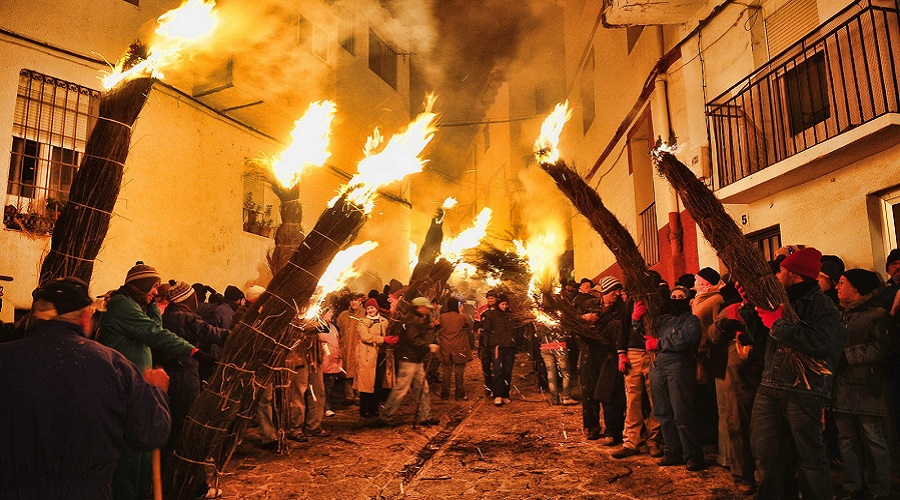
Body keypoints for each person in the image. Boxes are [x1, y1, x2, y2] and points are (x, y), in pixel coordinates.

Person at [0, 277, 171, 500]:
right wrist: (156, 393)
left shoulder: (4, 359)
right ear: (85, 317)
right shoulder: (113, 365)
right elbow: (150, 433)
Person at [98, 262, 215, 500]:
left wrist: (152, 303)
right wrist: (194, 352)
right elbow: (155, 334)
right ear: (140, 286)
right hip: (125, 388)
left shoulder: (134, 305)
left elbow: (154, 327)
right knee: (131, 454)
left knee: (143, 451)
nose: (155, 292)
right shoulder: (122, 305)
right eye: (151, 288)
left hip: (138, 386)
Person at [743, 247, 845, 499]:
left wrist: (778, 324)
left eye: (780, 270)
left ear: (793, 273)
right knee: (767, 453)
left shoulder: (823, 305)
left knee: (810, 458)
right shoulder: (781, 300)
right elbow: (762, 339)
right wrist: (751, 309)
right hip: (770, 386)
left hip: (804, 390)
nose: (777, 275)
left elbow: (823, 344)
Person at [157, 281, 227, 499]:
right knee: (188, 429)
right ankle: (195, 488)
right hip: (183, 378)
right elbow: (209, 332)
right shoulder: (184, 318)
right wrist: (240, 335)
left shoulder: (167, 316)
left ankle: (172, 484)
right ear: (188, 299)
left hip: (171, 376)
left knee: (176, 430)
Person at [833, 269, 891, 499]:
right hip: (842, 388)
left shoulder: (877, 315)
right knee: (846, 440)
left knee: (873, 438)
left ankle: (880, 489)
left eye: (842, 282)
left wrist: (846, 356)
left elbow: (881, 347)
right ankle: (852, 485)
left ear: (856, 288)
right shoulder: (839, 315)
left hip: (868, 386)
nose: (837, 287)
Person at [640, 286, 705, 471]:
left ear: (688, 299)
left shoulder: (691, 320)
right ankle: (672, 452)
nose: (676, 299)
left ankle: (693, 455)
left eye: (681, 296)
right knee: (662, 412)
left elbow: (685, 339)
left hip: (679, 368)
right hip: (658, 368)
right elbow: (645, 333)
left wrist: (659, 343)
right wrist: (637, 318)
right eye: (673, 296)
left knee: (682, 412)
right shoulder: (662, 320)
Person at [613, 273, 663, 459]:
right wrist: (622, 354)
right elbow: (623, 329)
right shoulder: (630, 303)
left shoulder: (659, 302)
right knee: (632, 399)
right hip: (634, 353)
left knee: (655, 399)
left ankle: (653, 440)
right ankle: (631, 441)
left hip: (652, 353)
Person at [378, 297, 440, 426]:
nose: (427, 311)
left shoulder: (415, 319)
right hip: (408, 359)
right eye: (426, 308)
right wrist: (428, 346)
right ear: (419, 307)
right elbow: (413, 340)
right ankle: (386, 415)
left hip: (415, 359)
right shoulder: (411, 320)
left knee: (422, 388)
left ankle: (425, 416)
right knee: (401, 389)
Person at [581, 276, 626, 446]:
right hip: (589, 351)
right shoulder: (589, 305)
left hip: (609, 353)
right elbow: (573, 324)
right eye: (614, 290)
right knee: (588, 389)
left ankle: (613, 430)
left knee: (609, 392)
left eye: (619, 290)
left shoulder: (621, 308)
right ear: (605, 291)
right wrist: (584, 319)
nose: (618, 293)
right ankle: (592, 427)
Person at [692, 267, 728, 468]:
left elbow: (716, 327)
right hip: (699, 353)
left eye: (698, 280)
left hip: (708, 354)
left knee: (712, 400)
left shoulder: (716, 300)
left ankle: (715, 441)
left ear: (706, 282)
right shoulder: (699, 299)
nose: (695, 284)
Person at [357, 298, 397, 419]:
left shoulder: (384, 321)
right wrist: (382, 340)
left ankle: (374, 408)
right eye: (368, 308)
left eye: (372, 308)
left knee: (377, 383)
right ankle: (365, 409)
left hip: (381, 355)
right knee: (367, 383)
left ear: (376, 308)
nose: (370, 310)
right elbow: (365, 337)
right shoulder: (363, 322)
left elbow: (388, 332)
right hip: (368, 357)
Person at [482, 294, 518, 406]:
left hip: (509, 347)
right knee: (498, 370)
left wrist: (516, 342)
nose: (505, 306)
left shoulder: (511, 316)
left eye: (506, 304)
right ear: (498, 304)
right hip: (497, 347)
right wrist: (486, 346)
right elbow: (486, 332)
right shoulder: (490, 315)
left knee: (507, 371)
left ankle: (505, 394)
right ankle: (497, 394)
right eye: (503, 304)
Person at [437, 297, 471, 400]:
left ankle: (445, 393)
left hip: (446, 346)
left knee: (446, 370)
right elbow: (467, 326)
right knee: (459, 370)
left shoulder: (442, 317)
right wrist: (460, 313)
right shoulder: (461, 317)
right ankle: (459, 393)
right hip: (459, 346)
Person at [336, 293, 364, 406]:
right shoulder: (343, 315)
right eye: (352, 300)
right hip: (346, 348)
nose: (354, 302)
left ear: (360, 301)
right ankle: (349, 396)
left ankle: (359, 395)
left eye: (356, 300)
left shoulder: (365, 314)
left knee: (359, 372)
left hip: (359, 348)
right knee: (347, 373)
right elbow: (339, 331)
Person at [318, 307, 343, 417]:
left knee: (330, 384)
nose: (331, 314)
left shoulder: (332, 327)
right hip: (325, 360)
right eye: (329, 312)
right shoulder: (318, 327)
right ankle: (325, 407)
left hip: (334, 360)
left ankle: (327, 406)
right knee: (324, 385)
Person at [474, 290, 498, 397]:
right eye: (488, 298)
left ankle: (497, 387)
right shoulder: (483, 309)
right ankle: (488, 387)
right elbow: (476, 322)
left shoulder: (500, 310)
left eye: (492, 298)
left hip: (496, 342)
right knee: (486, 366)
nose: (490, 300)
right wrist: (478, 329)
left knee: (497, 366)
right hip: (484, 343)